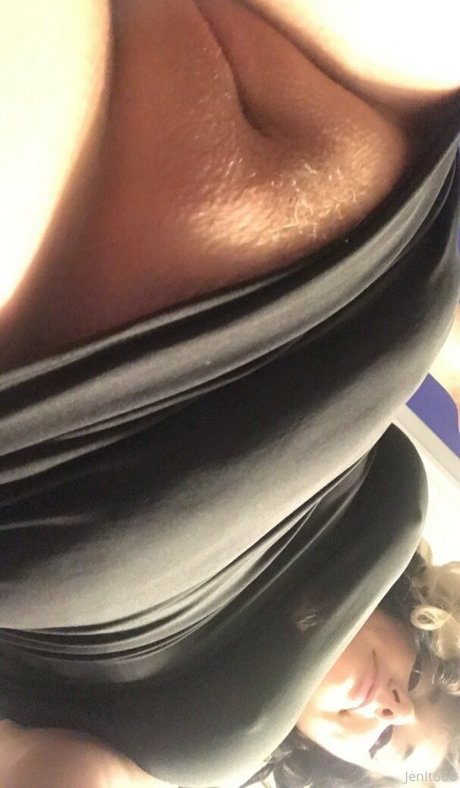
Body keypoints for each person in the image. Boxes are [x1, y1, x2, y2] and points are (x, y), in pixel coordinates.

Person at [0, 1, 460, 786]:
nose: (392, 705)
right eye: (423, 682)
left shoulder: (184, 761)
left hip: (54, 381)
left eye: (390, 744)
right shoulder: (388, 532)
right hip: (385, 182)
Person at [243, 537, 460, 788]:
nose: (400, 711)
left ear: (328, 756)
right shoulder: (365, 522)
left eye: (383, 739)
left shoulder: (213, 744)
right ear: (410, 615)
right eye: (416, 675)